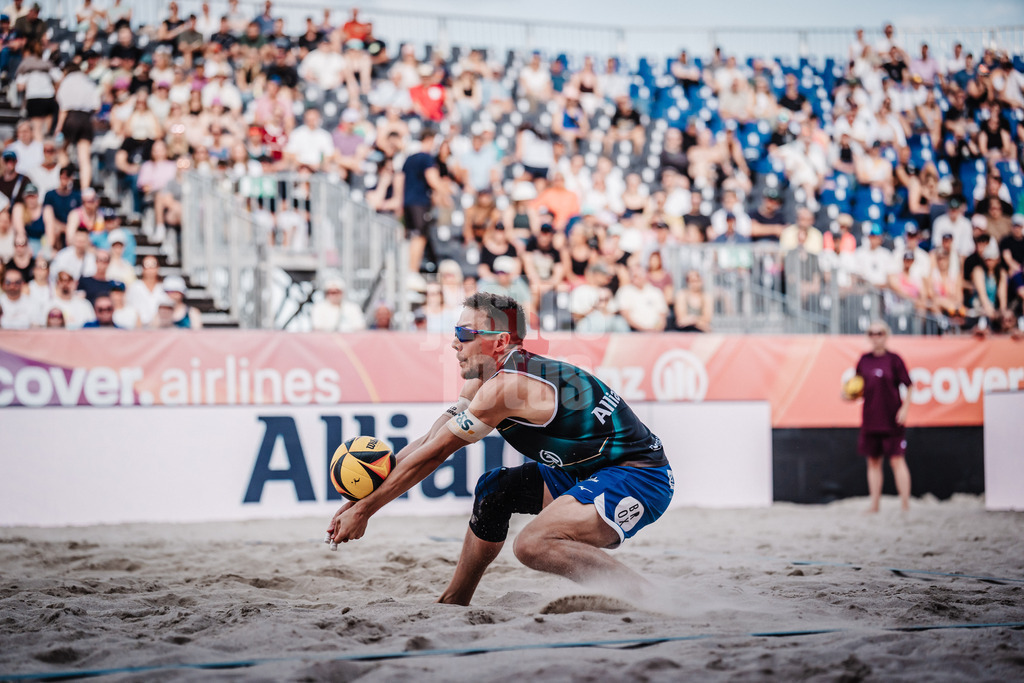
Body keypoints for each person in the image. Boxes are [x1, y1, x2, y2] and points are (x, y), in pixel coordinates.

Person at [327, 293, 674, 606]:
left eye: (464, 334)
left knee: (532, 545)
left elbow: (435, 455)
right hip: (583, 470)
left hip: (640, 476)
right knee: (494, 491)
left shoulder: (508, 388)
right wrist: (361, 501)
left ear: (501, 341)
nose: (453, 343)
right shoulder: (486, 376)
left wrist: (366, 511)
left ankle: (648, 599)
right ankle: (454, 601)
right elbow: (433, 440)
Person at [846, 320, 913, 513]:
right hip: (870, 419)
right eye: (872, 333)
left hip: (892, 418)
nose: (876, 337)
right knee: (873, 461)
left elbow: (909, 385)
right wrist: (847, 395)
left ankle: (905, 505)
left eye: (880, 333)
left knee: (897, 461)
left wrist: (905, 409)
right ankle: (874, 505)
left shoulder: (894, 360)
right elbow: (858, 389)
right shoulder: (863, 360)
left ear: (887, 335)